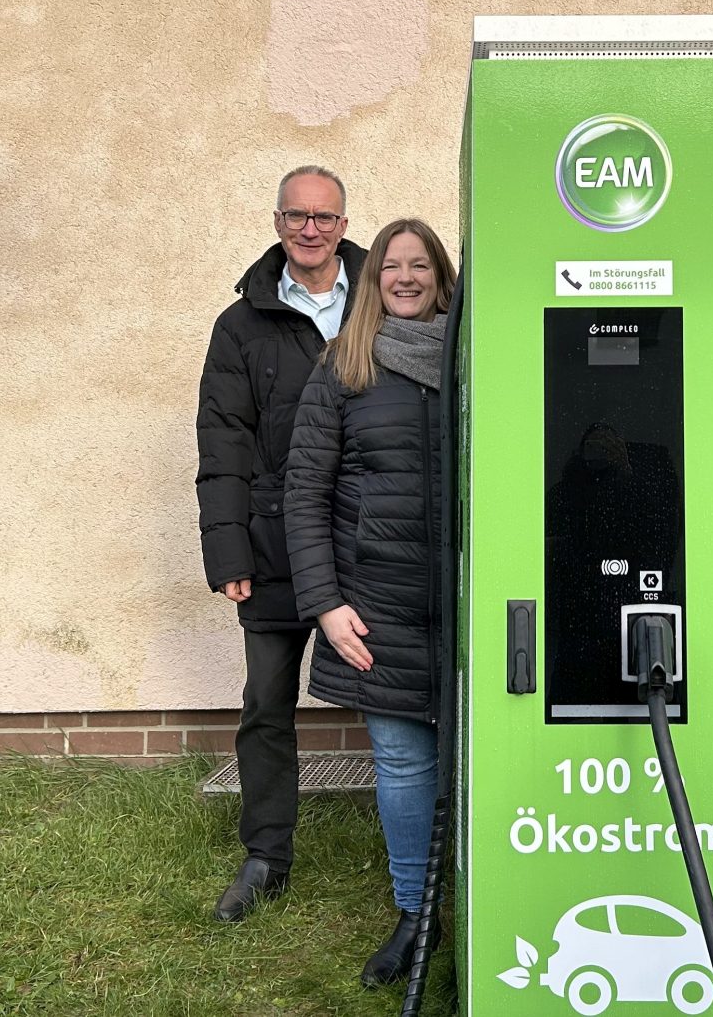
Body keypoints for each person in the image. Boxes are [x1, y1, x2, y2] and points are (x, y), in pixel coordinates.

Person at [283, 217, 454, 987]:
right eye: (393, 265)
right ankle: (417, 913)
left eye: (421, 265)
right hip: (375, 607)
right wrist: (325, 603)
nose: (407, 277)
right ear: (373, 277)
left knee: (474, 764)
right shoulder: (342, 368)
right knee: (402, 762)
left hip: (468, 606)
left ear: (442, 277)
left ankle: (484, 902)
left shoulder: (477, 361)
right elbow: (304, 495)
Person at [197, 166, 366, 923]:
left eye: (323, 217)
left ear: (342, 223)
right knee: (267, 700)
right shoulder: (242, 325)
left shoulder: (385, 303)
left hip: (368, 538)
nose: (310, 228)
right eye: (296, 215)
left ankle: (427, 845)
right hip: (270, 543)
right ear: (276, 223)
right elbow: (223, 439)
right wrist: (228, 552)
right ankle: (267, 851)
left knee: (405, 695)